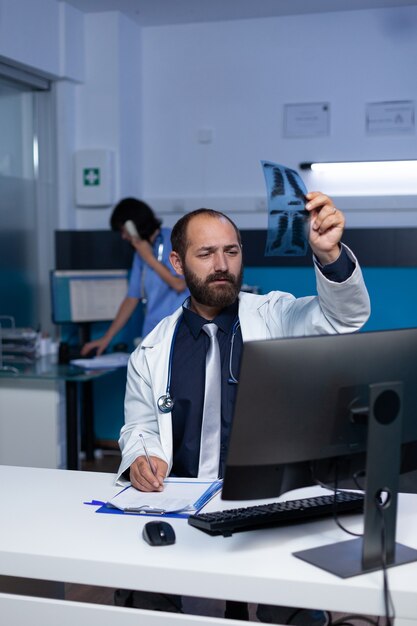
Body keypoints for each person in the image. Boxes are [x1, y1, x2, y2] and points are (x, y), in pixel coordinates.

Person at [115, 192, 370, 622]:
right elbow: (139, 426)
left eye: (231, 251)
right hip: (187, 506)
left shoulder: (275, 315)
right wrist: (142, 455)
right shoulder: (152, 350)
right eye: (206, 253)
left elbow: (342, 319)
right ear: (177, 263)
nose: (221, 264)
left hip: (273, 499)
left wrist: (330, 256)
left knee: (292, 609)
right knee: (161, 605)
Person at [81, 198, 189, 356]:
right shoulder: (140, 253)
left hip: (179, 331)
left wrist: (149, 258)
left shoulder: (173, 240)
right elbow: (132, 298)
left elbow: (179, 285)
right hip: (152, 332)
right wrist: (106, 338)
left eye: (124, 230)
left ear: (134, 225)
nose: (124, 237)